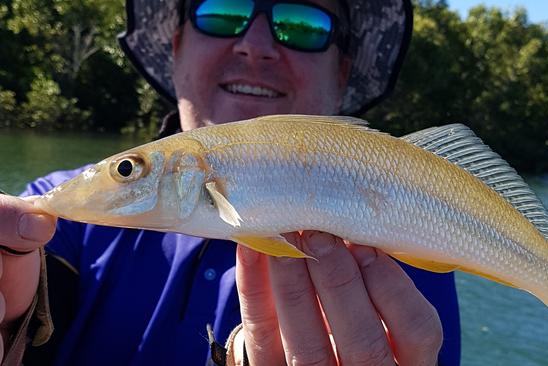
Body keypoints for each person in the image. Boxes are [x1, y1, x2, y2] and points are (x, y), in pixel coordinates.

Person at [0, 0, 461, 365]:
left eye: (302, 24)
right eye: (221, 12)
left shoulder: (411, 248)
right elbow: (37, 287)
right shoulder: (61, 216)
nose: (254, 44)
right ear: (177, 45)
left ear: (341, 70)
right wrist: (16, 322)